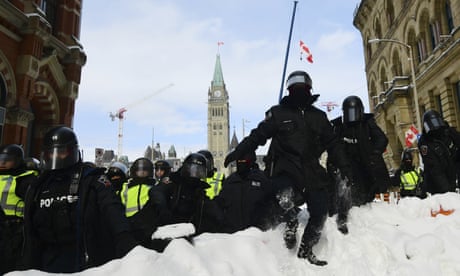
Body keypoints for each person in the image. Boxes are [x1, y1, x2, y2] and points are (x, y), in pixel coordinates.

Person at [224, 70, 352, 266]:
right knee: (285, 198)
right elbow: (258, 135)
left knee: (320, 210)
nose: (299, 91)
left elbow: (333, 143)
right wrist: (239, 151)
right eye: (295, 88)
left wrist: (344, 165)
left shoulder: (318, 116)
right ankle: (290, 222)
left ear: (309, 90)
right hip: (285, 167)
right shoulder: (278, 113)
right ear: (289, 90)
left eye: (303, 88)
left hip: (311, 168)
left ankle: (306, 248)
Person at [21, 126, 137, 273]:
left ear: (72, 152)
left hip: (83, 259)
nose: (55, 157)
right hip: (46, 260)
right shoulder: (39, 184)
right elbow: (30, 227)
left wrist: (125, 238)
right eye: (51, 153)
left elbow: (111, 208)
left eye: (61, 152)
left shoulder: (91, 179)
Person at [330, 95, 390, 204]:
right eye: (349, 113)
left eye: (355, 112)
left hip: (367, 161)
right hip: (348, 164)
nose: (352, 116)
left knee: (372, 186)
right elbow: (333, 145)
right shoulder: (339, 127)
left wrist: (376, 152)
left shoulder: (368, 123)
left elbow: (381, 138)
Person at [150, 153, 223, 235]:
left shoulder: (199, 192)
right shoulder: (174, 182)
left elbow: (211, 209)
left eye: (199, 171)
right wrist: (163, 210)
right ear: (185, 168)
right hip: (166, 230)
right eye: (192, 170)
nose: (195, 174)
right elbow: (157, 191)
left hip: (187, 233)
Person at [0, 144, 37, 274]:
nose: (3, 162)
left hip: (14, 230)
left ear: (17, 161)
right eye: (1, 158)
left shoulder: (25, 179)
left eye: (7, 159)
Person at [215, 151, 272, 233]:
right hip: (233, 236)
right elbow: (220, 205)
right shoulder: (230, 181)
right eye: (239, 160)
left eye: (244, 160)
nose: (241, 163)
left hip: (257, 235)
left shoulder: (262, 179)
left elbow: (271, 204)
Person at [418, 110, 460, 194]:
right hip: (436, 185)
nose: (435, 127)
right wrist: (448, 191)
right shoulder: (425, 142)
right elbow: (434, 168)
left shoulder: (448, 132)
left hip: (452, 171)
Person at [119, 157, 157, 248]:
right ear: (134, 172)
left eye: (145, 171)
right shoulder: (126, 187)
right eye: (139, 171)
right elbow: (121, 204)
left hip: (148, 224)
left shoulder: (154, 186)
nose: (142, 173)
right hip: (130, 225)